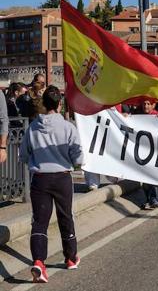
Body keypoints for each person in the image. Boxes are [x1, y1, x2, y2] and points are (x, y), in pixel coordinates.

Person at [18, 86, 84, 283]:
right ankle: (71, 258)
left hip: (40, 178)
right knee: (65, 217)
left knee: (39, 221)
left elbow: (23, 155)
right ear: (59, 103)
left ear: (44, 104)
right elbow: (78, 157)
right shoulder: (68, 128)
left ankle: (39, 262)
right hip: (62, 176)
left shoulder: (32, 128)